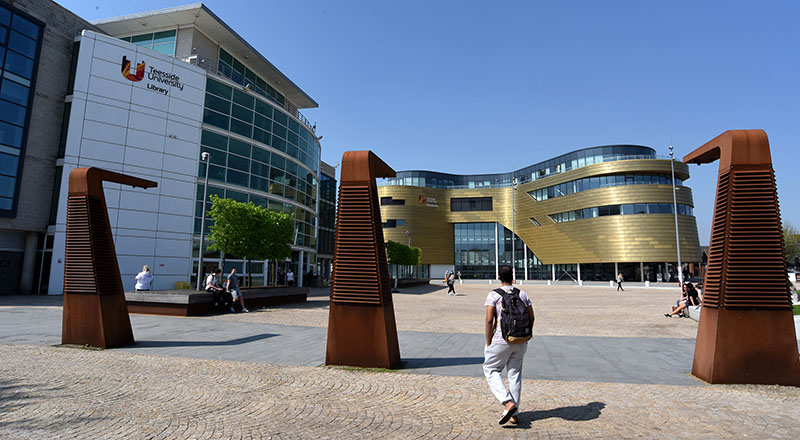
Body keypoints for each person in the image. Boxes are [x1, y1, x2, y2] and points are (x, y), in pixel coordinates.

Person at [483, 265, 535, 425]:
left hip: (501, 340)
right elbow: (532, 317)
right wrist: (525, 335)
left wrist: (488, 340)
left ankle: (507, 402)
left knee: (491, 369)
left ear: (499, 277)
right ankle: (514, 414)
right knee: (515, 375)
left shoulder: (494, 295)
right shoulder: (522, 294)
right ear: (512, 277)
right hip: (521, 340)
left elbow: (489, 320)